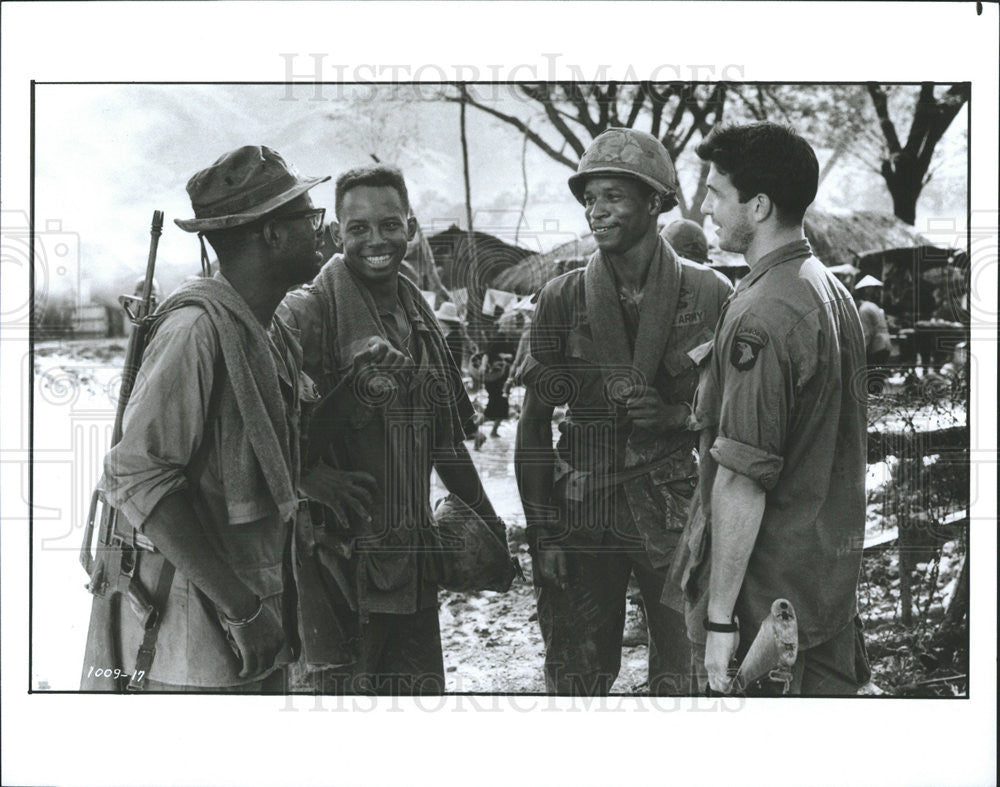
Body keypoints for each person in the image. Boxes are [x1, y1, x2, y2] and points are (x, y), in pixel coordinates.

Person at [87, 145, 359, 691]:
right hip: (189, 633)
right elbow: (136, 474)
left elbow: (282, 456)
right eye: (308, 218)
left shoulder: (269, 332)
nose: (319, 231)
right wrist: (243, 612)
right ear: (273, 235)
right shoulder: (196, 332)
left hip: (254, 609)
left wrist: (356, 390)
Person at [515, 128, 733, 695]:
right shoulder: (561, 298)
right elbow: (534, 425)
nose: (595, 211)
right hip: (582, 510)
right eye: (589, 198)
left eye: (612, 196)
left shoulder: (710, 294)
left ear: (656, 200)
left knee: (685, 675)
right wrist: (544, 536)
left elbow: (739, 416)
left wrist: (678, 417)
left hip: (676, 513)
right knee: (576, 675)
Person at [277, 164, 506, 695]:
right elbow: (264, 437)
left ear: (412, 226)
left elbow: (445, 441)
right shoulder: (304, 315)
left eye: (389, 225)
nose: (375, 241)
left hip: (411, 566)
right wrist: (308, 476)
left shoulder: (418, 314)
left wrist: (491, 529)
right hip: (333, 572)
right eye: (358, 228)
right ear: (337, 234)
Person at [677, 122, 871, 695]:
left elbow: (741, 481)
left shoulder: (763, 310)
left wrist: (717, 622)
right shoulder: (828, 288)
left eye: (716, 193)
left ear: (758, 206)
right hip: (822, 593)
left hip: (764, 612)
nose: (708, 209)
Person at [855, 275, 893, 365]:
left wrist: (861, 353)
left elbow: (867, 334)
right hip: (885, 345)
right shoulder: (874, 306)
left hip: (876, 347)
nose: (878, 293)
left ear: (867, 290)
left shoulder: (865, 309)